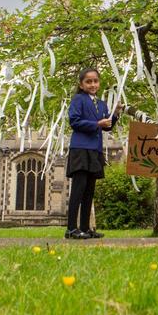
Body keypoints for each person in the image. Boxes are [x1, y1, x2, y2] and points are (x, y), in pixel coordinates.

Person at [66, 68, 120, 239]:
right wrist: (96, 123)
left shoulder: (102, 104)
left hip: (95, 150)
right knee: (78, 189)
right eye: (88, 81)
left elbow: (108, 126)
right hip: (80, 149)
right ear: (81, 85)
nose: (93, 84)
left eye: (95, 81)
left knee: (89, 190)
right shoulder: (78, 100)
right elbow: (74, 122)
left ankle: (85, 227)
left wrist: (116, 114)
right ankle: (71, 228)